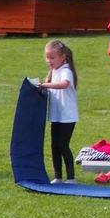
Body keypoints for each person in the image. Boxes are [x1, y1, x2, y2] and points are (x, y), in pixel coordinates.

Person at [41, 40, 79, 183]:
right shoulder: (54, 71)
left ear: (63, 57)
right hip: (56, 116)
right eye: (47, 57)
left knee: (63, 145)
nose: (49, 61)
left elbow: (64, 84)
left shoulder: (66, 71)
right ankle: (58, 177)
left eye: (52, 58)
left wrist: (46, 85)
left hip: (67, 117)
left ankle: (71, 178)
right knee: (54, 146)